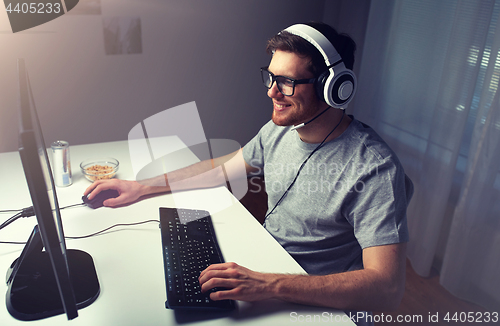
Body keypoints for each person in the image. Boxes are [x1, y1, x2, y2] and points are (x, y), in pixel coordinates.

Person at [85, 22, 412, 325]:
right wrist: (140, 187)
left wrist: (270, 284)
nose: (271, 92)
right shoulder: (281, 129)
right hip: (267, 271)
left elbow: (387, 289)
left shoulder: (374, 168)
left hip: (315, 303)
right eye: (270, 77)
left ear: (333, 87)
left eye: (287, 82)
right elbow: (223, 168)